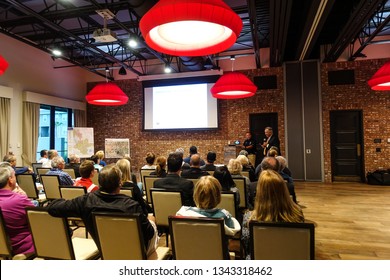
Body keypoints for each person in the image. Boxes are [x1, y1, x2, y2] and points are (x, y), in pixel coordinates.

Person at [47, 164, 159, 256]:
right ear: (120, 183)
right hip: (136, 254)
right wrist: (152, 221)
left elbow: (53, 208)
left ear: (99, 182)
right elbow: (149, 234)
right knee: (151, 219)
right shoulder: (131, 205)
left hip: (104, 249)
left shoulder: (85, 201)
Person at [241, 169, 305, 259]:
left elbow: (247, 245)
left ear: (259, 192)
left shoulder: (250, 218)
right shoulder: (297, 214)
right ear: (284, 189)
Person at [176, 176, 241, 237]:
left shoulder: (182, 213)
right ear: (218, 196)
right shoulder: (224, 216)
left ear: (195, 194)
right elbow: (232, 233)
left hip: (189, 248)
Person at [0, 165, 35, 256]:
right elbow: (38, 221)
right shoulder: (20, 200)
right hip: (21, 247)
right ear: (10, 179)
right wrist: (24, 197)